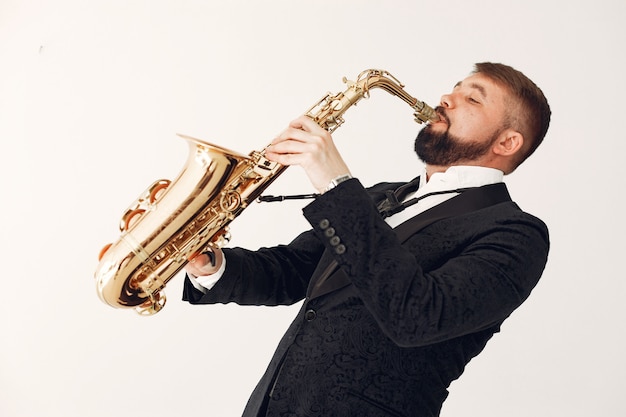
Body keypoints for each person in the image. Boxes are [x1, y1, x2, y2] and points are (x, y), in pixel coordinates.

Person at [182, 62, 551, 417]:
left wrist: (336, 184)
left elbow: (418, 316)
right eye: (453, 89)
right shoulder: (382, 197)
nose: (446, 99)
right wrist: (212, 265)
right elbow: (294, 270)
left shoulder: (515, 233)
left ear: (507, 141)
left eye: (473, 99)